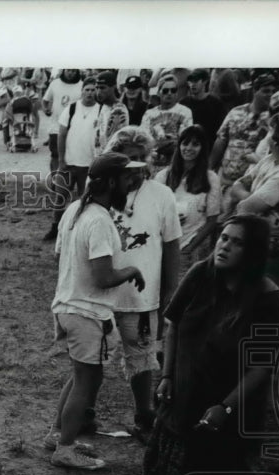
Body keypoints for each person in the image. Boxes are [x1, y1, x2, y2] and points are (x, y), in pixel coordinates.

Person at [135, 216, 279, 475]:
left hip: (230, 405)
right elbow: (173, 326)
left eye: (237, 242)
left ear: (253, 253)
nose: (224, 246)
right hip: (184, 394)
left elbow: (262, 366)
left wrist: (226, 407)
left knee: (216, 471)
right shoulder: (201, 274)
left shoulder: (266, 297)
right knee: (169, 466)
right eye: (223, 238)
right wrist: (167, 376)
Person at [47, 152, 147, 470]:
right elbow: (103, 277)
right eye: (127, 178)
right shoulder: (100, 220)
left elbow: (59, 254)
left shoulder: (75, 209)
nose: (131, 184)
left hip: (68, 306)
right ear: (112, 182)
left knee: (81, 376)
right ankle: (64, 449)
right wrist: (131, 270)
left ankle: (58, 434)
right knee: (87, 381)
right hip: (86, 313)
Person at [105, 127, 183, 441]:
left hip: (142, 296)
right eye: (128, 159)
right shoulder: (102, 191)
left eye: (141, 158)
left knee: (142, 359)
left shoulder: (162, 195)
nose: (136, 166)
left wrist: (169, 294)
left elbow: (172, 247)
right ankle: (81, 414)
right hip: (102, 294)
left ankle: (144, 415)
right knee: (91, 360)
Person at [228, 112, 279, 313]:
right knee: (245, 302)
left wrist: (247, 200)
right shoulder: (269, 160)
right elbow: (237, 186)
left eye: (270, 132)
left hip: (270, 249)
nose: (266, 137)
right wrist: (251, 198)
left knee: (261, 307)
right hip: (254, 241)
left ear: (278, 140)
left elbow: (244, 207)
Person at [156, 125, 223, 266]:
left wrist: (189, 248)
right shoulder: (163, 176)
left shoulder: (211, 178)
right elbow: (153, 211)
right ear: (179, 146)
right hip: (162, 244)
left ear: (202, 148)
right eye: (185, 143)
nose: (189, 148)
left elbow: (212, 220)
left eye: (195, 144)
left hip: (190, 245)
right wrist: (169, 219)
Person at [46, 76, 103, 240]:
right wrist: (61, 160)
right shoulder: (71, 109)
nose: (90, 93)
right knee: (60, 196)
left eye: (93, 90)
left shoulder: (101, 110)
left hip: (90, 165)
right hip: (69, 163)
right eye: (87, 90)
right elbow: (61, 135)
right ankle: (55, 228)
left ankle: (79, 231)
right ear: (82, 91)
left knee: (85, 200)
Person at [211, 73, 275, 199]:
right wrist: (210, 168)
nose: (270, 95)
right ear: (255, 91)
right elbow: (221, 140)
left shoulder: (273, 120)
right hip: (225, 179)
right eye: (266, 91)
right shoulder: (236, 112)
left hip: (250, 185)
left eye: (273, 91)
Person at [141, 75, 194, 168]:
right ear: (159, 93)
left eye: (173, 90)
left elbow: (186, 138)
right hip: (154, 162)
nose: (169, 93)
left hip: (177, 162)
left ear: (177, 93)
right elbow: (144, 139)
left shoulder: (185, 112)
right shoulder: (149, 114)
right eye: (165, 91)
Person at [181, 69, 226, 148]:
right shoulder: (184, 103)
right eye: (190, 81)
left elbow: (221, 130)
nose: (192, 84)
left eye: (196, 81)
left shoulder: (216, 103)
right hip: (188, 145)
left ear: (204, 82)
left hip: (209, 145)